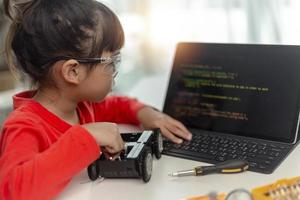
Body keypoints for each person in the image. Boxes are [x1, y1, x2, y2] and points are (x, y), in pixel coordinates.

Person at [0, 0, 192, 199]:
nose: (115, 69)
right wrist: (85, 138)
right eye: (112, 61)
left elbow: (117, 105)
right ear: (73, 71)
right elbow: (12, 191)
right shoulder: (24, 126)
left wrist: (144, 113)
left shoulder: (81, 106)